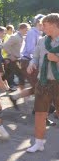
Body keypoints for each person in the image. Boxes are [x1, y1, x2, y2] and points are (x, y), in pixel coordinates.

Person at [26, 13, 59, 153]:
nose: (42, 28)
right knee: (40, 114)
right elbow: (36, 57)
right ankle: (39, 143)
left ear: (53, 25)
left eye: (44, 25)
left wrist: (57, 59)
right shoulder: (41, 41)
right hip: (43, 82)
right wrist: (31, 64)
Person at [3, 23, 30, 108]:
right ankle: (22, 97)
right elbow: (5, 46)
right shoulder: (15, 37)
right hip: (12, 61)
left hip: (16, 60)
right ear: (22, 29)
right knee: (21, 76)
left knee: (5, 76)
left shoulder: (21, 37)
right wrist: (11, 55)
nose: (27, 31)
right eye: (26, 29)